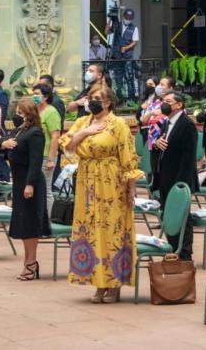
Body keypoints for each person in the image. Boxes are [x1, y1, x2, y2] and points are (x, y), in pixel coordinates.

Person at [60, 85, 143, 303]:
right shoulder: (82, 122)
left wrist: (131, 186)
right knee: (90, 230)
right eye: (90, 98)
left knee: (111, 229)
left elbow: (128, 156)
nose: (92, 102)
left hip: (111, 180)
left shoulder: (118, 124)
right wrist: (84, 133)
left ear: (107, 102)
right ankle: (98, 282)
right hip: (87, 179)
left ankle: (113, 283)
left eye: (97, 98)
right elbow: (67, 145)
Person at [0, 98, 49, 280]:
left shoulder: (35, 133)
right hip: (19, 180)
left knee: (29, 224)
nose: (17, 116)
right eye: (17, 112)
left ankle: (31, 262)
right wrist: (3, 145)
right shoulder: (18, 131)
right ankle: (29, 262)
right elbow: (6, 148)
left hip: (31, 182)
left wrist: (30, 184)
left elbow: (36, 162)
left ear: (30, 115)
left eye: (21, 113)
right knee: (22, 223)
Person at [152, 91, 198, 260]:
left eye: (169, 101)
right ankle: (173, 248)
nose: (164, 104)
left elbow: (189, 157)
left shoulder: (187, 124)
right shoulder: (166, 123)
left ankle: (185, 252)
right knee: (168, 214)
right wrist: (157, 144)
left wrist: (181, 184)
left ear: (179, 105)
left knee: (183, 216)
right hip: (165, 176)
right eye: (163, 101)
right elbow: (161, 147)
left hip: (180, 179)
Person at [33, 83, 61, 214]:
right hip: (34, 155)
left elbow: (55, 136)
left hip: (45, 156)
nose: (34, 96)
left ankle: (47, 219)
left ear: (46, 97)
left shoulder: (51, 112)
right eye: (33, 93)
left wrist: (51, 159)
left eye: (37, 94)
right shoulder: (34, 111)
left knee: (45, 189)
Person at [106, 8, 139, 101]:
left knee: (129, 77)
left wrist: (126, 47)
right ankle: (119, 98)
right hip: (116, 56)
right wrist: (109, 19)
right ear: (124, 16)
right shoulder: (117, 25)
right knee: (118, 78)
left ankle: (131, 98)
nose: (128, 19)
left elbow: (135, 42)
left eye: (130, 18)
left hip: (127, 56)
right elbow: (107, 32)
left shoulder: (134, 28)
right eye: (127, 17)